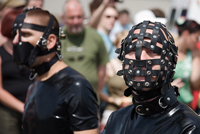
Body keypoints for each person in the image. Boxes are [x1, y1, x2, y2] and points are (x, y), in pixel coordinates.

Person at [101, 21, 200, 134]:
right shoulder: (117, 118)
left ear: (169, 62)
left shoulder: (188, 126)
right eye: (133, 50)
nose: (140, 58)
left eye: (152, 51)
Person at [12, 8, 99, 134]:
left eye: (25, 34)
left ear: (50, 41)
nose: (16, 40)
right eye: (14, 34)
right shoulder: (34, 84)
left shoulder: (76, 86)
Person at [61, 0, 109, 103]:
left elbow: (102, 69)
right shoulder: (57, 38)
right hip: (63, 99)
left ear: (84, 16)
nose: (76, 21)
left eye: (79, 17)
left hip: (90, 99)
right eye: (71, 18)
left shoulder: (95, 37)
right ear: (63, 17)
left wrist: (97, 90)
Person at [0, 9, 33, 134]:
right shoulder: (1, 54)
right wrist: (22, 107)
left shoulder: (30, 53)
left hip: (32, 107)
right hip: (9, 111)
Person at [100, 30, 132, 131]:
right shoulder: (110, 65)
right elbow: (98, 90)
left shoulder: (138, 66)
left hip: (132, 110)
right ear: (116, 46)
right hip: (112, 109)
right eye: (122, 43)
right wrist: (113, 100)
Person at [172, 18, 200, 109]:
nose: (197, 41)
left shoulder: (193, 53)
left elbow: (195, 83)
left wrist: (197, 56)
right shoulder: (167, 51)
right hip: (167, 105)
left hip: (186, 106)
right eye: (196, 37)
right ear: (186, 34)